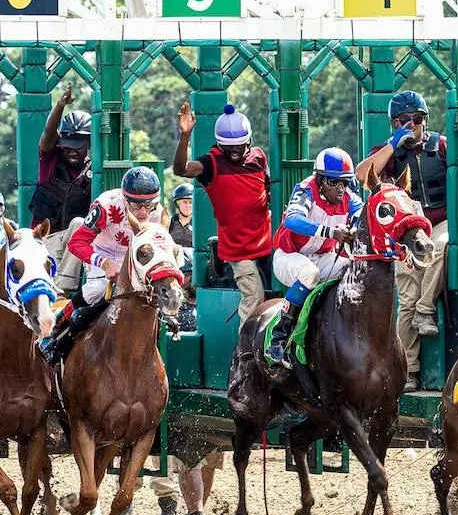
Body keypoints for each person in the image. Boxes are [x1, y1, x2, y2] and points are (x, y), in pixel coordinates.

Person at [355, 90, 448, 392]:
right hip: (406, 227)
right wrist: (395, 143)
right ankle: (407, 370)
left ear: (426, 120)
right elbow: (361, 174)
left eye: (416, 119)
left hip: (438, 222)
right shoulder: (388, 150)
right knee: (405, 298)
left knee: (441, 245)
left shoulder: (442, 146)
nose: (411, 125)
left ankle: (426, 310)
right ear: (393, 123)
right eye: (403, 121)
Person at [41, 166, 166, 363]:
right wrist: (105, 264)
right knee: (96, 288)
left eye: (148, 205)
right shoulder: (106, 206)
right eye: (135, 206)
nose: (143, 212)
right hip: (101, 252)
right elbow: (76, 243)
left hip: (132, 255)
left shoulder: (157, 213)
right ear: (125, 199)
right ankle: (59, 324)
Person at [174, 102, 272, 329]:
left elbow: (267, 190)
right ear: (219, 144)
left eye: (239, 146)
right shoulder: (211, 163)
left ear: (249, 140)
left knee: (284, 289)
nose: (235, 152)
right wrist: (185, 135)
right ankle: (245, 352)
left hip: (267, 240)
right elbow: (181, 169)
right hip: (239, 248)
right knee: (253, 295)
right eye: (229, 147)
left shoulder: (258, 157)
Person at [267, 147, 363, 370]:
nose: (340, 189)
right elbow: (292, 221)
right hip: (290, 256)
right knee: (310, 274)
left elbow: (361, 216)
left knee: (353, 270)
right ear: (319, 180)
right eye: (333, 182)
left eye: (345, 182)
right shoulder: (305, 190)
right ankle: (279, 337)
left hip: (323, 257)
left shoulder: (349, 197)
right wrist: (332, 232)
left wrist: (354, 229)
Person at [27, 82, 93, 294]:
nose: (71, 151)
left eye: (78, 145)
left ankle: (63, 289)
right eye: (67, 145)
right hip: (46, 240)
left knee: (79, 223)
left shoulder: (94, 170)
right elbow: (47, 136)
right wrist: (61, 105)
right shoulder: (50, 161)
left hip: (75, 244)